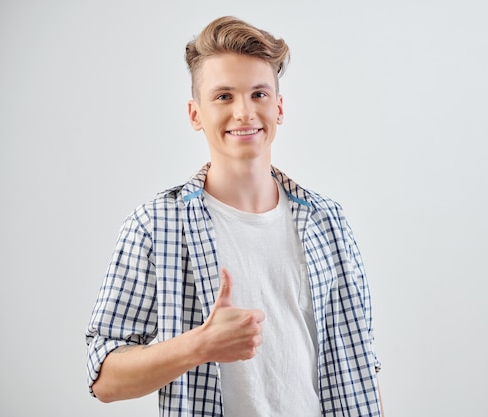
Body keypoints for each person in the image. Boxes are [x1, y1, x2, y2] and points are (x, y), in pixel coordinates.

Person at [85, 15, 383, 416]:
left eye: (258, 94)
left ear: (278, 108)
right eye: (223, 96)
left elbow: (361, 365)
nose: (244, 112)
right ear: (195, 114)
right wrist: (199, 345)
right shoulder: (156, 225)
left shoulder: (328, 221)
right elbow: (104, 379)